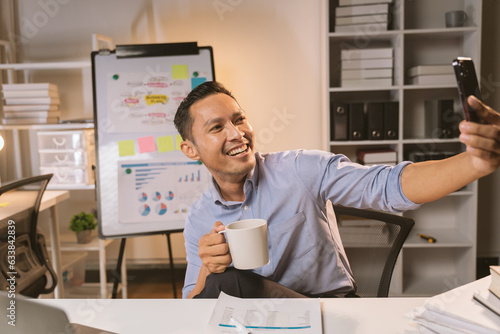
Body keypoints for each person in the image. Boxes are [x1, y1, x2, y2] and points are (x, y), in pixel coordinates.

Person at [174, 81, 500, 299]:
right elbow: (194, 299)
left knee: (229, 283)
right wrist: (207, 266)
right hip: (262, 317)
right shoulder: (201, 216)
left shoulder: (300, 169)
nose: (237, 134)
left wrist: (475, 163)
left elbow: (386, 185)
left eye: (239, 119)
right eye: (217, 127)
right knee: (221, 282)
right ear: (190, 149)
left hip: (328, 307)